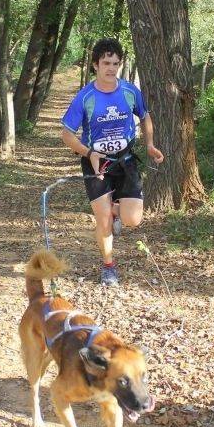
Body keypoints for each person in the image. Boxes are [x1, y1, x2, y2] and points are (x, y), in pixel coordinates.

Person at [60, 38, 164, 287]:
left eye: (115, 63)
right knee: (103, 219)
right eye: (106, 63)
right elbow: (66, 133)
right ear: (95, 64)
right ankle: (108, 267)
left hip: (126, 161)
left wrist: (149, 144)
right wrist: (88, 153)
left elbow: (145, 115)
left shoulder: (129, 91)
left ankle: (116, 209)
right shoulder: (85, 97)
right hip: (96, 163)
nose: (111, 68)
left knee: (133, 220)